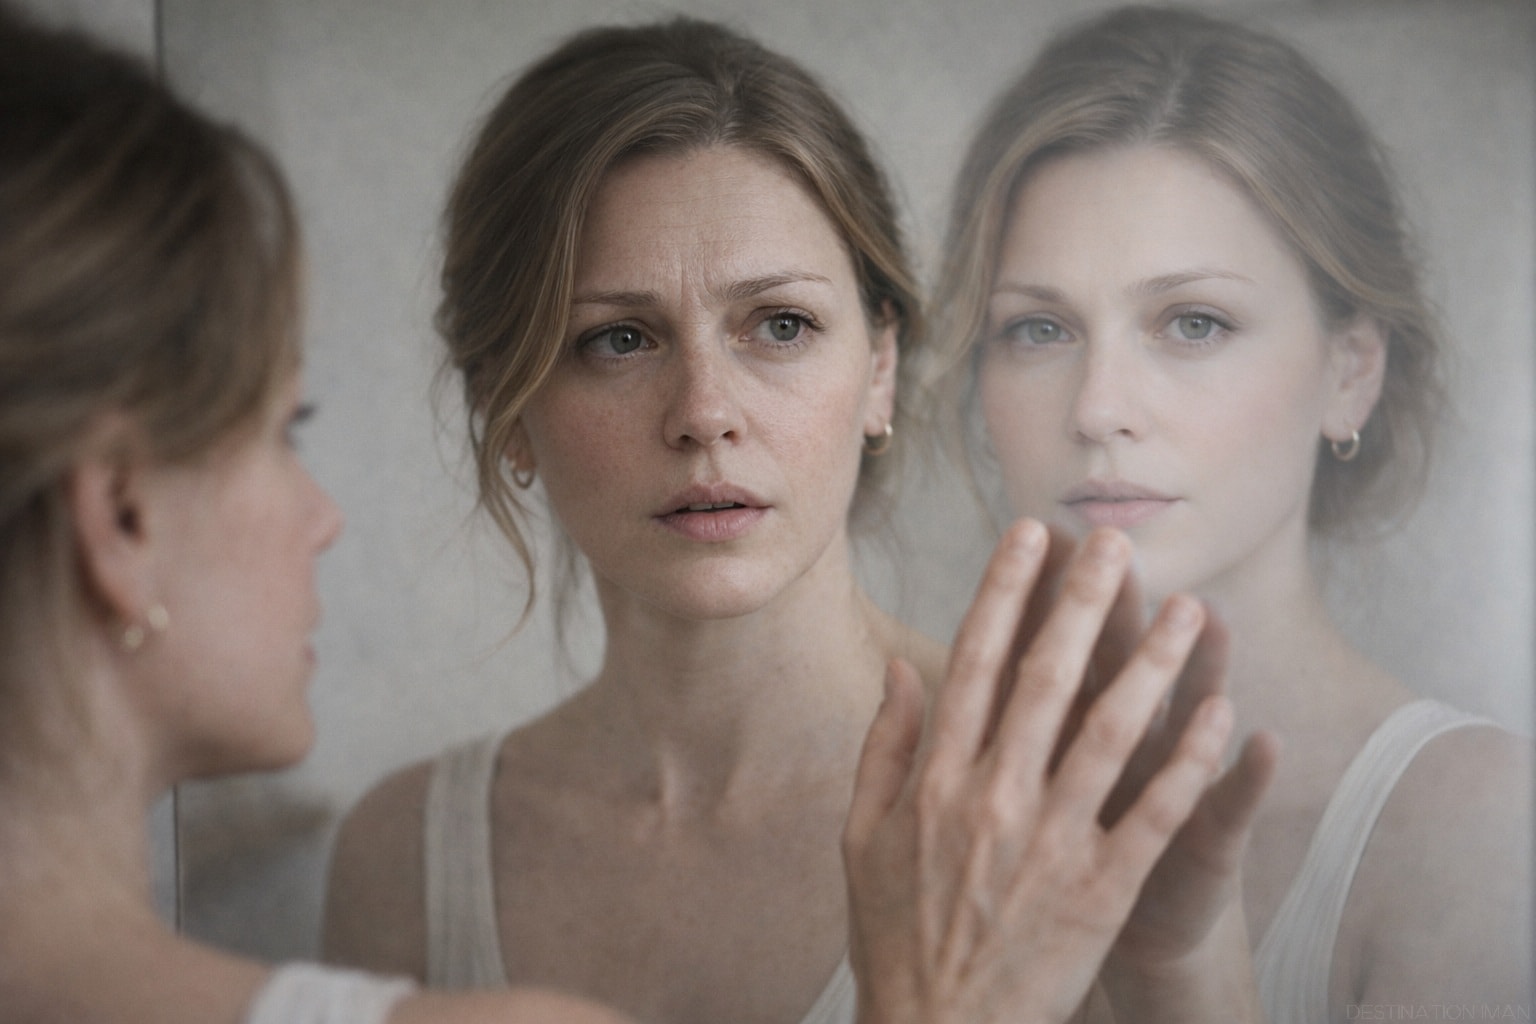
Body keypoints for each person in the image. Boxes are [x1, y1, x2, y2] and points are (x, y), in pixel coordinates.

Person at [0, 7, 1257, 1024]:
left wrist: (1185, 974)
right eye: (616, 340)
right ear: (507, 407)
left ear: (880, 369)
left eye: (780, 326)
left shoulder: (1055, 801)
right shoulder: (407, 853)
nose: (705, 412)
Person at [928, 5, 1532, 1020]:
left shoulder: (1485, 833)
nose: (1097, 409)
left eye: (1194, 323)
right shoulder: (918, 802)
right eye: (1039, 329)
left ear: (1350, 373)